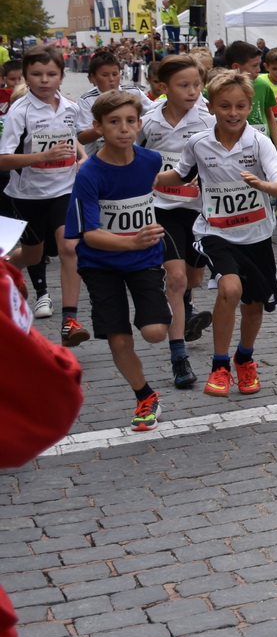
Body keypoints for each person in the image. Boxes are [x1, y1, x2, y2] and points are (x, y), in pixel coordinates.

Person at [152, 70, 277, 398]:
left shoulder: (259, 143)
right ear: (211, 106)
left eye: (241, 106)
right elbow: (180, 174)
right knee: (229, 289)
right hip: (215, 231)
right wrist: (151, 178)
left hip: (256, 233)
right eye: (225, 106)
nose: (233, 113)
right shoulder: (198, 143)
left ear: (249, 107)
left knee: (254, 304)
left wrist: (262, 185)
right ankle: (219, 365)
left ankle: (244, 357)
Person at [66, 91, 173, 432]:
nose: (123, 129)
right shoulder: (89, 173)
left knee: (155, 333)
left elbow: (162, 183)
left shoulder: (150, 160)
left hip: (144, 258)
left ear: (139, 124)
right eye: (113, 122)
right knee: (119, 339)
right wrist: (132, 241)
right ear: (98, 127)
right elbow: (89, 235)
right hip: (100, 263)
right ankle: (144, 396)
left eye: (130, 121)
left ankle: (168, 306)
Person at [0, 47, 88, 347]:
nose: (44, 80)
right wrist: (42, 156)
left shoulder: (70, 107)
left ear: (62, 76)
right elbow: (4, 160)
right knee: (33, 255)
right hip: (26, 196)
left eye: (51, 74)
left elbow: (70, 135)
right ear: (26, 76)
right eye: (36, 75)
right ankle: (6, 268)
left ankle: (70, 319)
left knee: (69, 247)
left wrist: (82, 155)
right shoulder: (19, 111)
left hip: (63, 189)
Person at [137, 54, 215, 389]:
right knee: (177, 277)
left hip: (199, 210)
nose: (193, 91)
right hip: (162, 207)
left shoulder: (209, 116)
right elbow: (132, 154)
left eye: (197, 84)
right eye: (183, 85)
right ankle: (179, 357)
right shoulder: (149, 119)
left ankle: (182, 309)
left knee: (194, 277)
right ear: (162, 87)